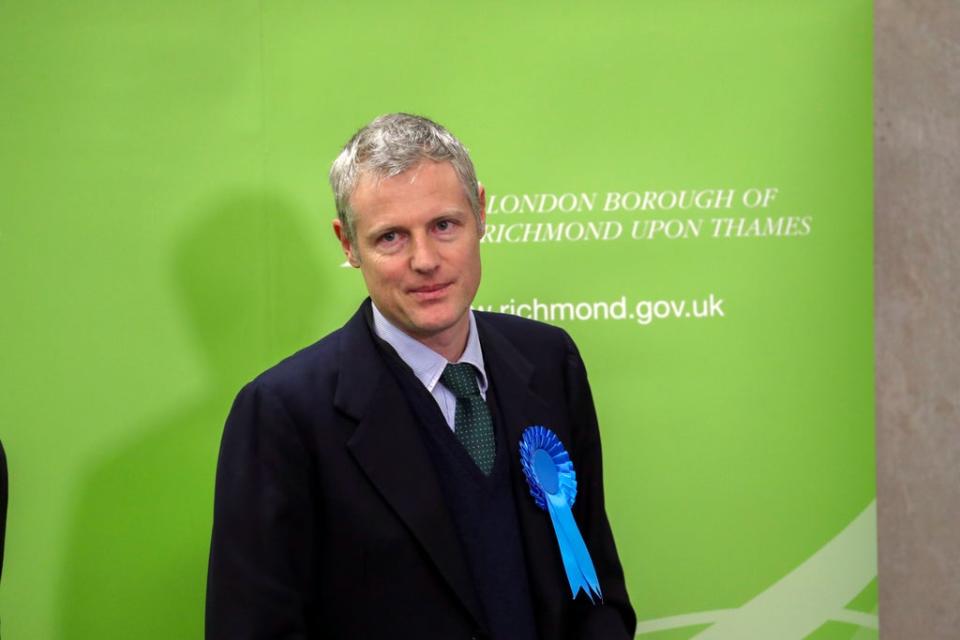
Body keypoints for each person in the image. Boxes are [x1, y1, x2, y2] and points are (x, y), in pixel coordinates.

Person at [206, 113, 635, 639]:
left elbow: (595, 590)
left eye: (444, 225)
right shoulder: (284, 414)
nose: (425, 260)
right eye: (390, 237)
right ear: (348, 245)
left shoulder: (550, 361)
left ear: (481, 212)